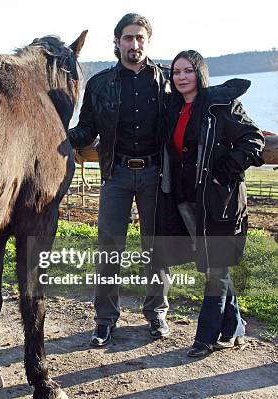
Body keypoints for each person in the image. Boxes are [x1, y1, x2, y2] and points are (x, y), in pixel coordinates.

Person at [68, 13, 171, 346]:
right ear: (117, 42)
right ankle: (105, 320)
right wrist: (58, 135)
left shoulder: (166, 81)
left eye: (140, 38)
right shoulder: (99, 85)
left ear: (148, 41)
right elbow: (86, 130)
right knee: (109, 249)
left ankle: (156, 313)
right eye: (128, 38)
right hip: (116, 174)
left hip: (156, 174)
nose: (134, 44)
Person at [155, 50, 264, 357]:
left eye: (188, 71)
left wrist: (224, 172)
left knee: (216, 268)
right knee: (214, 268)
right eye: (176, 72)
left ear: (200, 73)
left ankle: (206, 338)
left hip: (219, 202)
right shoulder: (173, 108)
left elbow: (253, 139)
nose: (181, 77)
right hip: (186, 201)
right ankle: (233, 328)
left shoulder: (221, 105)